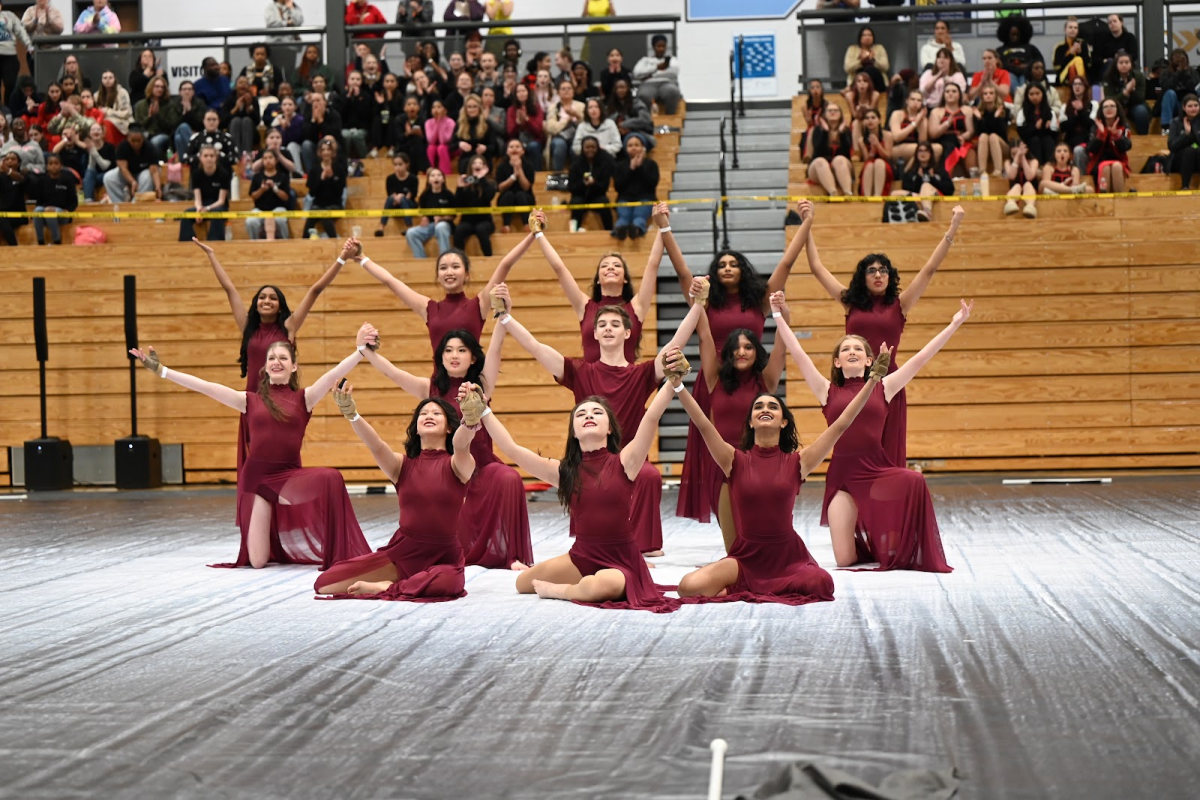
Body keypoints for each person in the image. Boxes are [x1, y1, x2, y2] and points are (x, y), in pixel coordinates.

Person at [129, 328, 375, 570]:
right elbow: (204, 386)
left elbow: (334, 373)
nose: (276, 362)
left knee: (331, 477)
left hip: (288, 478)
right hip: (256, 481)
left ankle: (337, 553)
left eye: (282, 358)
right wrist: (161, 371)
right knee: (257, 562)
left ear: (294, 366)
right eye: (271, 358)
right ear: (265, 367)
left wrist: (359, 351)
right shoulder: (249, 400)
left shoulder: (305, 398)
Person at [498, 280, 704, 559]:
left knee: (649, 474)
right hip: (591, 462)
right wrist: (506, 317)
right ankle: (593, 535)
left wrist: (699, 304)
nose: (608, 328)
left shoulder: (640, 374)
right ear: (594, 333)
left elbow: (674, 345)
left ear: (628, 332)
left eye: (615, 324)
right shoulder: (580, 371)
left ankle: (642, 545)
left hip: (628, 459)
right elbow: (536, 347)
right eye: (603, 324)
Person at [673, 344, 886, 602]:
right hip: (746, 557)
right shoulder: (733, 460)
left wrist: (873, 380)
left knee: (822, 582)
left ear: (783, 421)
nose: (765, 409)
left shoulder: (799, 462)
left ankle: (752, 588)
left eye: (773, 407)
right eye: (759, 406)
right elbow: (703, 424)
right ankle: (749, 585)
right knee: (687, 586)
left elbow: (842, 423)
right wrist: (678, 386)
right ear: (750, 421)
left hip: (788, 557)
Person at [773, 293, 970, 572]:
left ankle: (898, 543)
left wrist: (954, 324)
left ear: (869, 361)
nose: (851, 351)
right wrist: (778, 315)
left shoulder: (884, 387)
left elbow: (921, 358)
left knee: (914, 480)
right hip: (843, 479)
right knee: (844, 560)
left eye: (858, 349)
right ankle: (879, 544)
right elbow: (797, 351)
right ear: (838, 363)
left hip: (877, 473)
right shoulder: (826, 390)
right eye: (845, 349)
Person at [350, 293, 534, 572]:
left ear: (473, 357)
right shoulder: (430, 388)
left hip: (482, 467)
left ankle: (511, 555)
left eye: (461, 350)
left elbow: (495, 350)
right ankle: (456, 549)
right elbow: (392, 373)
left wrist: (500, 315)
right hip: (445, 469)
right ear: (441, 357)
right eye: (448, 350)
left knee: (508, 477)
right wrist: (364, 349)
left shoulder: (481, 383)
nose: (454, 355)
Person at [472, 377, 682, 611]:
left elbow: (651, 417)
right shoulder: (564, 472)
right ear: (573, 431)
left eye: (597, 413)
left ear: (610, 427)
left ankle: (562, 591)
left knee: (602, 586)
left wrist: (672, 381)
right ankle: (581, 584)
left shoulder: (626, 461)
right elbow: (512, 449)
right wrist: (484, 410)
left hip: (621, 559)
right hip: (582, 555)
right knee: (523, 583)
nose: (589, 416)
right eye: (581, 414)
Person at [667, 203, 814, 524]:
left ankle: (759, 518)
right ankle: (730, 521)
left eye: (734, 263)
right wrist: (664, 227)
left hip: (753, 383)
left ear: (743, 269)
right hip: (717, 383)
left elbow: (787, 263)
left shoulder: (759, 301)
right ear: (714, 273)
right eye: (722, 264)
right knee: (719, 460)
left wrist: (807, 222)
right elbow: (681, 273)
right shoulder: (705, 303)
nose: (728, 268)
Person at [803, 204, 964, 467]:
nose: (878, 275)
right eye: (871, 270)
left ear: (890, 276)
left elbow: (929, 269)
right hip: (853, 385)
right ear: (862, 277)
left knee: (890, 454)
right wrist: (807, 224)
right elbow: (817, 268)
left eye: (883, 270)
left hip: (890, 384)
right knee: (854, 447)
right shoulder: (849, 302)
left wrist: (953, 226)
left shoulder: (900, 304)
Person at [313, 391, 477, 600]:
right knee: (325, 584)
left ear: (449, 427)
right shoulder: (402, 466)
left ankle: (387, 587)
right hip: (403, 552)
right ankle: (405, 583)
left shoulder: (458, 464)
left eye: (437, 413)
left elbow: (461, 445)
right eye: (423, 413)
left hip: (444, 558)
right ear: (416, 429)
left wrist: (470, 421)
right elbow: (376, 444)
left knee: (446, 583)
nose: (428, 415)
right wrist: (352, 414)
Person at [363, 225, 533, 352]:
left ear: (467, 274)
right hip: (439, 391)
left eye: (455, 266)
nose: (449, 272)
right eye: (443, 268)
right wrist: (361, 258)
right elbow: (389, 280)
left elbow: (505, 264)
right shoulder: (428, 308)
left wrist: (533, 234)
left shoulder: (479, 304)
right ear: (438, 276)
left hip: (474, 391)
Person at [536, 205, 663, 362]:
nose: (610, 267)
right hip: (591, 384)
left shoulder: (637, 307)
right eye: (604, 266)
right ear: (598, 278)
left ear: (625, 278)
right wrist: (538, 233)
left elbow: (653, 265)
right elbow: (559, 268)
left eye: (617, 265)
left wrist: (662, 226)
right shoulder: (585, 306)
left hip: (628, 384)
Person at [889, 141, 954, 221]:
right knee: (894, 194)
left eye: (926, 150)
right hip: (919, 197)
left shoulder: (938, 170)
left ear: (931, 153)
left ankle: (927, 212)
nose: (923, 153)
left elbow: (950, 190)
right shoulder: (912, 171)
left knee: (925, 185)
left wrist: (933, 179)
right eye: (920, 150)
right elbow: (906, 187)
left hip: (936, 196)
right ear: (916, 154)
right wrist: (918, 178)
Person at [179, 144, 230, 241]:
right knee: (186, 214)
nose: (209, 158)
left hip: (218, 207)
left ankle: (215, 242)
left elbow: (221, 201)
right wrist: (199, 210)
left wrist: (207, 208)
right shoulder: (196, 174)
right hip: (203, 205)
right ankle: (188, 244)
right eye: (206, 156)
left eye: (212, 156)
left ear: (216, 157)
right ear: (200, 158)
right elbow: (197, 198)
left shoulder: (223, 174)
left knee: (217, 214)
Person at [612, 133, 657, 240]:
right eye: (630, 145)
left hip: (645, 198)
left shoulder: (651, 164)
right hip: (625, 199)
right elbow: (618, 186)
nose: (634, 148)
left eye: (637, 145)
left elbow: (652, 184)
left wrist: (640, 167)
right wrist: (630, 169)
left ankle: (636, 229)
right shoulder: (620, 166)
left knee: (639, 215)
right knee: (624, 216)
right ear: (626, 148)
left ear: (643, 147)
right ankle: (619, 230)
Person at [805, 102, 854, 196]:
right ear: (825, 115)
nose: (833, 113)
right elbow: (818, 152)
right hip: (819, 169)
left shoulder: (846, 130)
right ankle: (833, 192)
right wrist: (825, 131)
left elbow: (847, 153)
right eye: (830, 111)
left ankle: (847, 192)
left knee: (839, 159)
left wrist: (841, 133)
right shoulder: (817, 130)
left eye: (836, 110)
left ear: (840, 114)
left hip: (841, 168)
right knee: (820, 161)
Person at [567, 135, 614, 232]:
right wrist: (583, 184)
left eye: (593, 147)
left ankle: (609, 231)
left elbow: (604, 186)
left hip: (597, 195)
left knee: (604, 203)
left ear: (597, 148)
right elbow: (571, 187)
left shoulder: (604, 164)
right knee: (576, 203)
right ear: (582, 148)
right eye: (587, 147)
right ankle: (574, 231)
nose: (590, 150)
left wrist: (594, 183)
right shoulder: (575, 164)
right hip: (579, 195)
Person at [405, 166, 455, 257]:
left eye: (439, 175)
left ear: (443, 179)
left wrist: (442, 218)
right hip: (430, 226)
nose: (436, 177)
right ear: (428, 180)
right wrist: (424, 218)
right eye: (433, 175)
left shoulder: (449, 195)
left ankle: (445, 258)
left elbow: (453, 216)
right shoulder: (424, 196)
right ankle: (421, 260)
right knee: (411, 233)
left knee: (441, 226)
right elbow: (424, 212)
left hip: (445, 225)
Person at [452, 154, 497, 254]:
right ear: (470, 166)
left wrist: (482, 179)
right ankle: (460, 258)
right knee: (459, 230)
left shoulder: (490, 183)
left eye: (480, 163)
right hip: (467, 220)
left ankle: (489, 258)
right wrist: (460, 188)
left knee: (480, 229)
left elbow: (489, 196)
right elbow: (458, 205)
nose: (477, 165)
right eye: (475, 163)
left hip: (485, 220)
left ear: (485, 167)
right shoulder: (466, 182)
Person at [102, 125, 160, 202]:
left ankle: (137, 204)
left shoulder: (150, 148)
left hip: (144, 173)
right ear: (128, 139)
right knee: (108, 177)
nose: (136, 144)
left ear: (143, 139)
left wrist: (158, 187)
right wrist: (132, 182)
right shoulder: (122, 147)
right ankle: (119, 205)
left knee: (147, 176)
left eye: (138, 141)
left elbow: (154, 171)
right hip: (127, 173)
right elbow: (123, 168)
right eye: (133, 140)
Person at [302, 139, 346, 238]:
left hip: (335, 205)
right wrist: (321, 179)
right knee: (310, 219)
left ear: (332, 152)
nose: (326, 152)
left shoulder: (339, 169)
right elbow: (312, 192)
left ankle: (335, 243)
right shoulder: (314, 170)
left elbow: (340, 191)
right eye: (323, 150)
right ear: (320, 153)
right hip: (318, 205)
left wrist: (331, 178)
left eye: (328, 150)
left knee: (325, 217)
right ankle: (303, 244)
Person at [1087, 97, 1132, 192]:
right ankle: (1105, 204)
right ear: (1101, 111)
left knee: (1117, 166)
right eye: (1106, 107)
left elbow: (1127, 146)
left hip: (1119, 160)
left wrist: (1116, 135)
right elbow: (1091, 149)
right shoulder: (1096, 126)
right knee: (1105, 167)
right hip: (1099, 161)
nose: (1109, 109)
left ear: (1117, 109)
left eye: (1112, 106)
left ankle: (1119, 202)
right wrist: (1101, 135)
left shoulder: (1124, 126)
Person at [31, 153, 76, 246]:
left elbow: (74, 202)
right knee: (37, 210)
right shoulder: (42, 181)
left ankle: (57, 240)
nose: (53, 166)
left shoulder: (68, 180)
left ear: (61, 166)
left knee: (49, 211)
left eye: (56, 163)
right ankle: (40, 241)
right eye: (50, 164)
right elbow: (39, 202)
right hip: (46, 212)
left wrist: (68, 210)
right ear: (47, 166)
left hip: (63, 213)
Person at [246, 149, 291, 240]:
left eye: (270, 158)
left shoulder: (283, 177)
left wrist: (275, 188)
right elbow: (253, 196)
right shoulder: (257, 177)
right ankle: (255, 243)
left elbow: (286, 197)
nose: (268, 160)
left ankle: (285, 242)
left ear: (276, 160)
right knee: (250, 221)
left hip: (278, 208)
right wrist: (262, 190)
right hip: (260, 210)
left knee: (281, 220)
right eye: (265, 158)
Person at [930, 82, 973, 177]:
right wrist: (947, 124)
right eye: (947, 91)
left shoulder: (967, 110)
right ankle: (945, 177)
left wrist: (963, 137)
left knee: (970, 150)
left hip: (961, 140)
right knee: (948, 147)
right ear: (943, 95)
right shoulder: (936, 111)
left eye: (954, 91)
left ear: (959, 95)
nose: (950, 93)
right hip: (943, 140)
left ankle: (974, 179)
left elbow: (970, 131)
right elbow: (933, 134)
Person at [494, 137, 535, 233]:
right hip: (506, 197)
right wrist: (513, 177)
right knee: (509, 195)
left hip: (526, 197)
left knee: (520, 195)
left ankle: (527, 224)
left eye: (518, 147)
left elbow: (526, 187)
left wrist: (519, 169)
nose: (514, 149)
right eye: (511, 147)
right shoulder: (501, 166)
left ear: (523, 151)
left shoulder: (528, 165)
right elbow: (500, 187)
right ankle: (506, 225)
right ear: (507, 151)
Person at [1102, 52, 1149, 136]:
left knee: (1141, 111)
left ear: (1131, 64)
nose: (1124, 65)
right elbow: (1109, 99)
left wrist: (1132, 90)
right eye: (1121, 62)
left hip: (1134, 105)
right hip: (1116, 106)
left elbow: (1140, 98)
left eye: (1127, 62)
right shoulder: (1109, 77)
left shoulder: (1138, 76)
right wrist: (1125, 92)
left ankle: (1143, 137)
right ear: (1116, 64)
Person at [632, 34, 680, 115]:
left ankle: (671, 118)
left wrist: (648, 75)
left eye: (663, 46)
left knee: (672, 92)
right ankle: (646, 119)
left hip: (667, 83)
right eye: (658, 46)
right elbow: (636, 73)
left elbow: (673, 73)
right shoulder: (645, 60)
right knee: (643, 94)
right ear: (654, 47)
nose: (661, 49)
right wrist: (657, 67)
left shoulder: (672, 60)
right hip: (648, 84)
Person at [133, 76, 179, 156]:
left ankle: (153, 165)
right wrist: (149, 117)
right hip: (145, 134)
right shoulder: (140, 105)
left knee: (155, 142)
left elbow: (171, 127)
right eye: (157, 86)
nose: (160, 89)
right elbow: (137, 127)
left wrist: (158, 115)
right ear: (151, 87)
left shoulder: (170, 105)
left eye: (162, 87)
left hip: (162, 134)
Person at [299, 93, 343, 174]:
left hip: (331, 145)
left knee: (329, 140)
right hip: (315, 146)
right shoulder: (308, 116)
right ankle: (312, 173)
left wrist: (320, 121)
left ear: (325, 102)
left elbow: (335, 135)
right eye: (313, 101)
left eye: (318, 100)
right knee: (306, 144)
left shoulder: (333, 114)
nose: (315, 103)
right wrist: (313, 121)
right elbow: (305, 136)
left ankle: (334, 172)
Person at [545, 79, 584, 171]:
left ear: (573, 92)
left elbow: (587, 124)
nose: (566, 90)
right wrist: (566, 120)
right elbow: (551, 128)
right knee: (560, 145)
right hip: (559, 136)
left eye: (569, 88)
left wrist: (577, 115)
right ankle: (558, 175)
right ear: (558, 92)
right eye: (563, 89)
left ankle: (577, 175)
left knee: (576, 147)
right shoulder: (553, 107)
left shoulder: (581, 106)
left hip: (577, 135)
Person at [996, 15, 1042, 90]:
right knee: (1010, 77)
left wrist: (1027, 66)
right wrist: (1010, 66)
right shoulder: (1000, 50)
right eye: (1012, 34)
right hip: (1008, 74)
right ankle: (1020, 97)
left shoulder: (1031, 48)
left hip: (1026, 73)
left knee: (1024, 79)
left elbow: (1039, 62)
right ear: (1007, 34)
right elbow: (998, 65)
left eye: (1017, 34)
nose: (1015, 37)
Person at [376, 152, 418, 236]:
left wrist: (402, 197)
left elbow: (412, 194)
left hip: (409, 203)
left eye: (400, 164)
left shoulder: (413, 178)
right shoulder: (390, 178)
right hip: (395, 202)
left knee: (403, 199)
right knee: (390, 199)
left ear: (407, 164)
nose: (397, 167)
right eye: (395, 165)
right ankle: (381, 226)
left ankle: (409, 226)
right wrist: (396, 198)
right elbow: (390, 193)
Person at [889, 89, 934, 167]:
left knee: (936, 149)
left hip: (916, 148)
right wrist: (915, 123)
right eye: (912, 99)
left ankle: (910, 173)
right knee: (921, 151)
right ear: (907, 101)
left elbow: (922, 142)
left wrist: (921, 122)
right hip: (898, 146)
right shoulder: (898, 114)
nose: (915, 102)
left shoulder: (922, 119)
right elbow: (897, 137)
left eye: (919, 100)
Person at [854, 108, 892, 197]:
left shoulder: (888, 135)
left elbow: (889, 157)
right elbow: (867, 159)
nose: (870, 120)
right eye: (867, 118)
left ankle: (877, 195)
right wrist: (871, 152)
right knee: (870, 165)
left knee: (879, 163)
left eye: (873, 118)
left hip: (885, 165)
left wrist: (878, 145)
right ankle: (866, 197)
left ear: (879, 120)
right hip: (870, 164)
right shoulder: (861, 140)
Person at [221, 75, 261, 159]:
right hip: (232, 130)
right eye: (240, 83)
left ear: (249, 87)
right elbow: (223, 121)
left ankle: (246, 157)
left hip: (251, 133)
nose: (243, 85)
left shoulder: (253, 100)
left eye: (246, 83)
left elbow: (257, 121)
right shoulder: (229, 99)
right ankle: (235, 156)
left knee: (246, 120)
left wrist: (249, 107)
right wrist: (235, 108)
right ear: (235, 86)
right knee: (236, 120)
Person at [1158, 50, 1199, 131]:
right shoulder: (1166, 73)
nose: (1179, 60)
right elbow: (1166, 87)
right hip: (1173, 104)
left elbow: (1194, 87)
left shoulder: (1192, 72)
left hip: (1189, 104)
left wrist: (1185, 73)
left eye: (1182, 58)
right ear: (1171, 60)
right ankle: (1166, 127)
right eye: (1176, 58)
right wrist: (1178, 72)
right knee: (1170, 93)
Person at [505, 82, 544, 166]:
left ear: (528, 93)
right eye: (518, 91)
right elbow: (510, 133)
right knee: (512, 147)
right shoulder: (511, 110)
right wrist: (517, 123)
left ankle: (537, 175)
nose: (521, 93)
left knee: (534, 146)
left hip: (533, 139)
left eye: (523, 91)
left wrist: (527, 119)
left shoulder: (536, 107)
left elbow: (539, 131)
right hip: (518, 140)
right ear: (515, 95)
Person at [1167, 93, 1200, 189]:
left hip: (1198, 157)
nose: (1193, 108)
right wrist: (1186, 134)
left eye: (1196, 106)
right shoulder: (1175, 122)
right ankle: (1185, 186)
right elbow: (1172, 146)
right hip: (1179, 160)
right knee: (1190, 150)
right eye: (1190, 106)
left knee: (1195, 149)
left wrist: (1194, 131)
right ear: (1184, 107)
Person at [918, 47, 966, 112]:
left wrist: (946, 79)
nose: (941, 60)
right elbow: (922, 91)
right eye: (939, 57)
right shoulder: (928, 73)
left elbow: (960, 93)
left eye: (945, 58)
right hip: (930, 107)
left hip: (951, 108)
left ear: (951, 61)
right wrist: (937, 76)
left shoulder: (957, 75)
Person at [844, 26, 889, 93]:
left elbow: (886, 67)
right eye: (864, 35)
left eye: (869, 35)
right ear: (860, 38)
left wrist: (873, 60)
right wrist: (861, 62)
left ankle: (850, 88)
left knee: (870, 69)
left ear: (873, 38)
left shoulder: (879, 48)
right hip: (857, 85)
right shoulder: (852, 49)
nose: (867, 37)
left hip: (878, 83)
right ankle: (853, 86)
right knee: (865, 70)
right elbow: (847, 68)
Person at [1002, 141, 1039, 218]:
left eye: (1019, 152)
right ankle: (1011, 203)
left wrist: (1023, 157)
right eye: (1013, 154)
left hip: (1031, 192)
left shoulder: (1033, 161)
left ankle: (1030, 207)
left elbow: (1029, 177)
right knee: (1017, 186)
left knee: (1027, 185)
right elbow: (1011, 176)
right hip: (1015, 193)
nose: (1017, 156)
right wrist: (1016, 158)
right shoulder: (1008, 162)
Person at [95, 71, 133, 145]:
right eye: (105, 78)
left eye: (110, 78)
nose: (108, 80)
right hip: (102, 121)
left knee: (106, 123)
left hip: (122, 122)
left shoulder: (122, 92)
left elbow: (127, 112)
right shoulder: (96, 95)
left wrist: (108, 111)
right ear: (102, 80)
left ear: (114, 79)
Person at [1053, 17, 1091, 85]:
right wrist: (1070, 54)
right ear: (1065, 30)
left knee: (1078, 59)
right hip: (1064, 77)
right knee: (1077, 59)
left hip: (1083, 76)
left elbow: (1089, 65)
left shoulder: (1083, 44)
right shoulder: (1059, 47)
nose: (1073, 30)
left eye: (1075, 28)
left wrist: (1080, 53)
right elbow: (1057, 68)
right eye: (1070, 27)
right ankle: (1080, 84)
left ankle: (1080, 83)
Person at [423, 97, 455, 173]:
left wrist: (440, 122)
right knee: (431, 148)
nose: (436, 109)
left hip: (450, 148)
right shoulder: (428, 122)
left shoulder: (450, 122)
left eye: (439, 107)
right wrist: (437, 123)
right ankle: (430, 173)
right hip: (435, 147)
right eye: (433, 107)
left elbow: (443, 141)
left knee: (441, 147)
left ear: (445, 110)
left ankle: (445, 173)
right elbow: (431, 140)